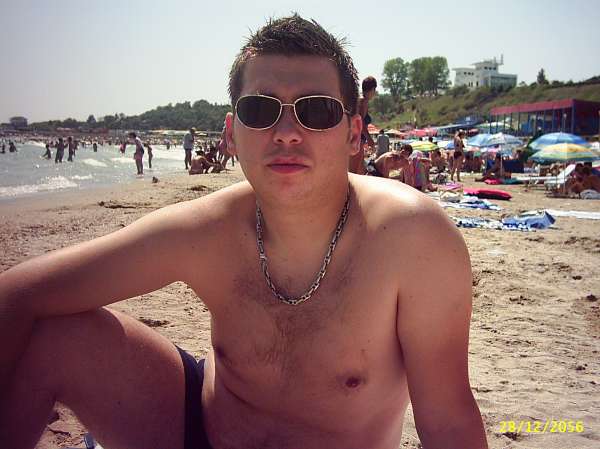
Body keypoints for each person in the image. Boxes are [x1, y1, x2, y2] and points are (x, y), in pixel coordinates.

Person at [0, 15, 487, 449]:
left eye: (316, 110)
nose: (287, 131)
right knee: (55, 336)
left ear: (354, 134)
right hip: (203, 428)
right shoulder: (208, 231)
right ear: (232, 133)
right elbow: (19, 292)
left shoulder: (413, 240)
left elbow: (447, 422)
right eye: (261, 109)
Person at [349, 76, 377, 174]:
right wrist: (369, 139)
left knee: (358, 169)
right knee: (355, 171)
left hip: (355, 137)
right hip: (358, 139)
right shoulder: (363, 101)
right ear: (372, 89)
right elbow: (361, 123)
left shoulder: (358, 99)